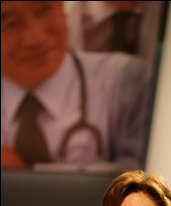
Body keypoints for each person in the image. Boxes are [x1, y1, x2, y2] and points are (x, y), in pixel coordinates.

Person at [1, 1, 151, 171]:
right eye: (9, 24)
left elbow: (147, 178)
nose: (36, 38)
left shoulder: (129, 81)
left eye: (44, 9)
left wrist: (24, 174)